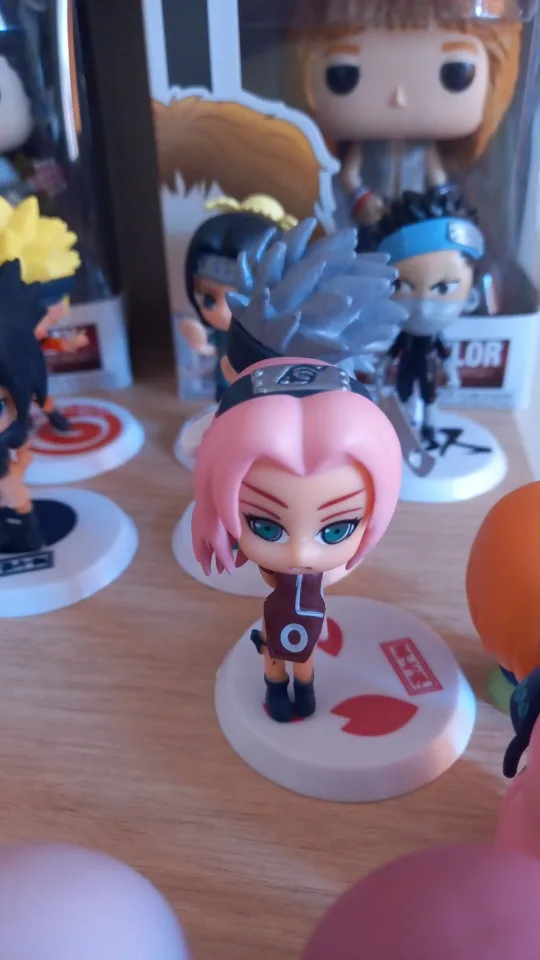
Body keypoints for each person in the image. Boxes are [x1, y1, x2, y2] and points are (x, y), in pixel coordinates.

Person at [191, 227, 402, 722]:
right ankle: (278, 691)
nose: (303, 553)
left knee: (301, 657)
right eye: (265, 525)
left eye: (337, 529)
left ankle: (299, 693)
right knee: (277, 653)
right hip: (281, 618)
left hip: (303, 620)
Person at [292, 0, 522, 227]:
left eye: (455, 72)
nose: (398, 98)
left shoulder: (424, 147)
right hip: (374, 212)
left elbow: (437, 177)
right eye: (344, 74)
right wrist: (362, 200)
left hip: (415, 213)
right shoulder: (365, 147)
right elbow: (348, 176)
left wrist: (442, 205)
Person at [374, 185, 484, 443]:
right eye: (402, 286)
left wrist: (452, 373)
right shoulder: (405, 336)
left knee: (429, 396)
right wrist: (381, 367)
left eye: (443, 288)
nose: (423, 305)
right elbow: (392, 352)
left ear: (471, 296)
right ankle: (404, 428)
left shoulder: (435, 337)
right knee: (403, 394)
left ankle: (429, 427)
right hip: (406, 369)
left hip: (428, 371)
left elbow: (445, 354)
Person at [0, 259, 49, 552]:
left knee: (19, 501)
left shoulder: (13, 432)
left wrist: (18, 469)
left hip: (7, 477)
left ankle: (30, 535)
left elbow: (24, 450)